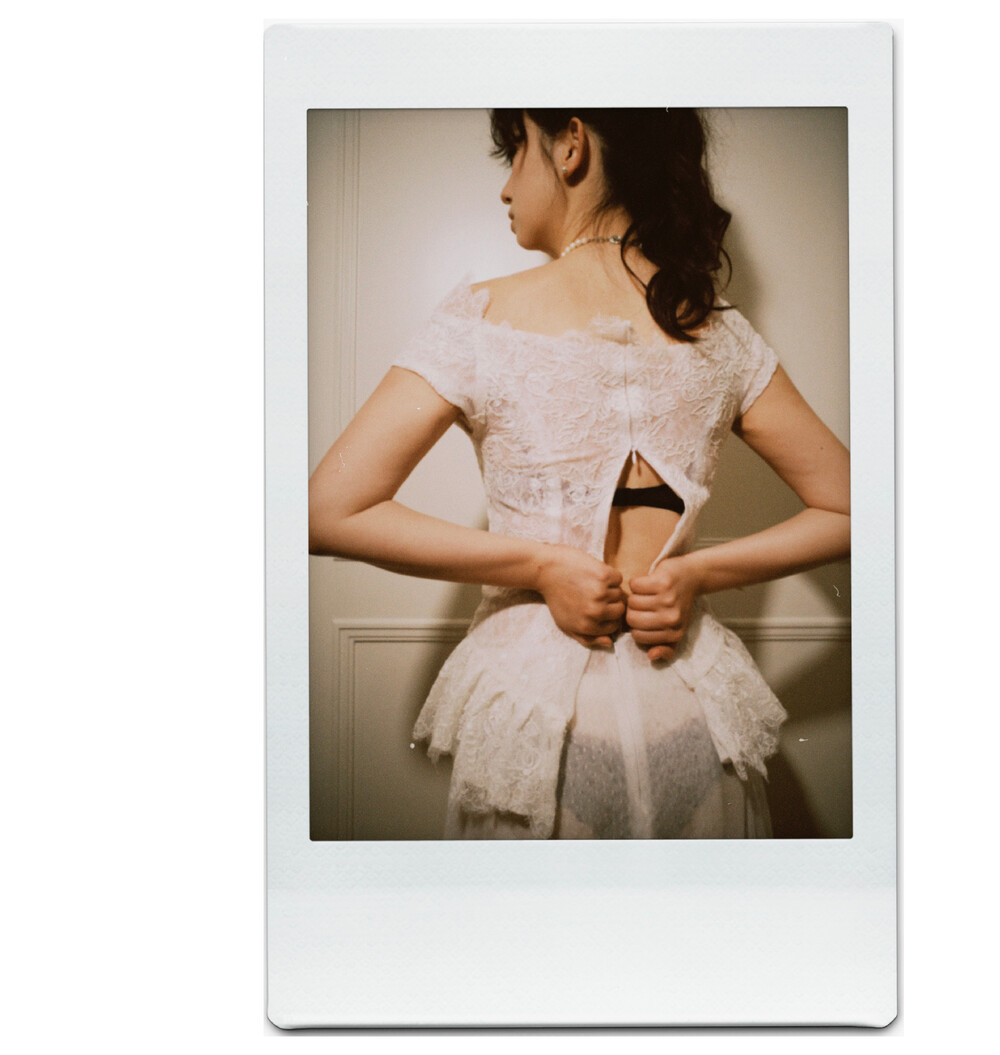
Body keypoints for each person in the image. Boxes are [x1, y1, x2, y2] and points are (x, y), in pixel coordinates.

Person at [308, 108, 850, 840]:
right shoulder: (717, 329)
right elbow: (857, 507)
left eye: (515, 151)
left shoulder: (482, 318)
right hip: (694, 718)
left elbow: (326, 510)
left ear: (571, 144)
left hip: (536, 732)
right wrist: (694, 575)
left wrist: (540, 565)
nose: (506, 188)